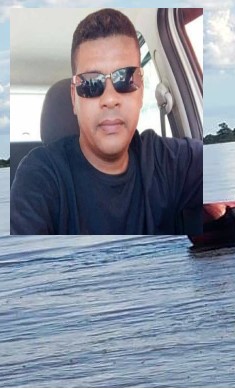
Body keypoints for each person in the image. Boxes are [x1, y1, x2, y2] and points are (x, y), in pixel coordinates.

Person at [10, 8, 202, 235]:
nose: (110, 99)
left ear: (140, 90)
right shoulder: (39, 177)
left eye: (125, 79)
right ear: (74, 98)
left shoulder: (175, 162)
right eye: (91, 83)